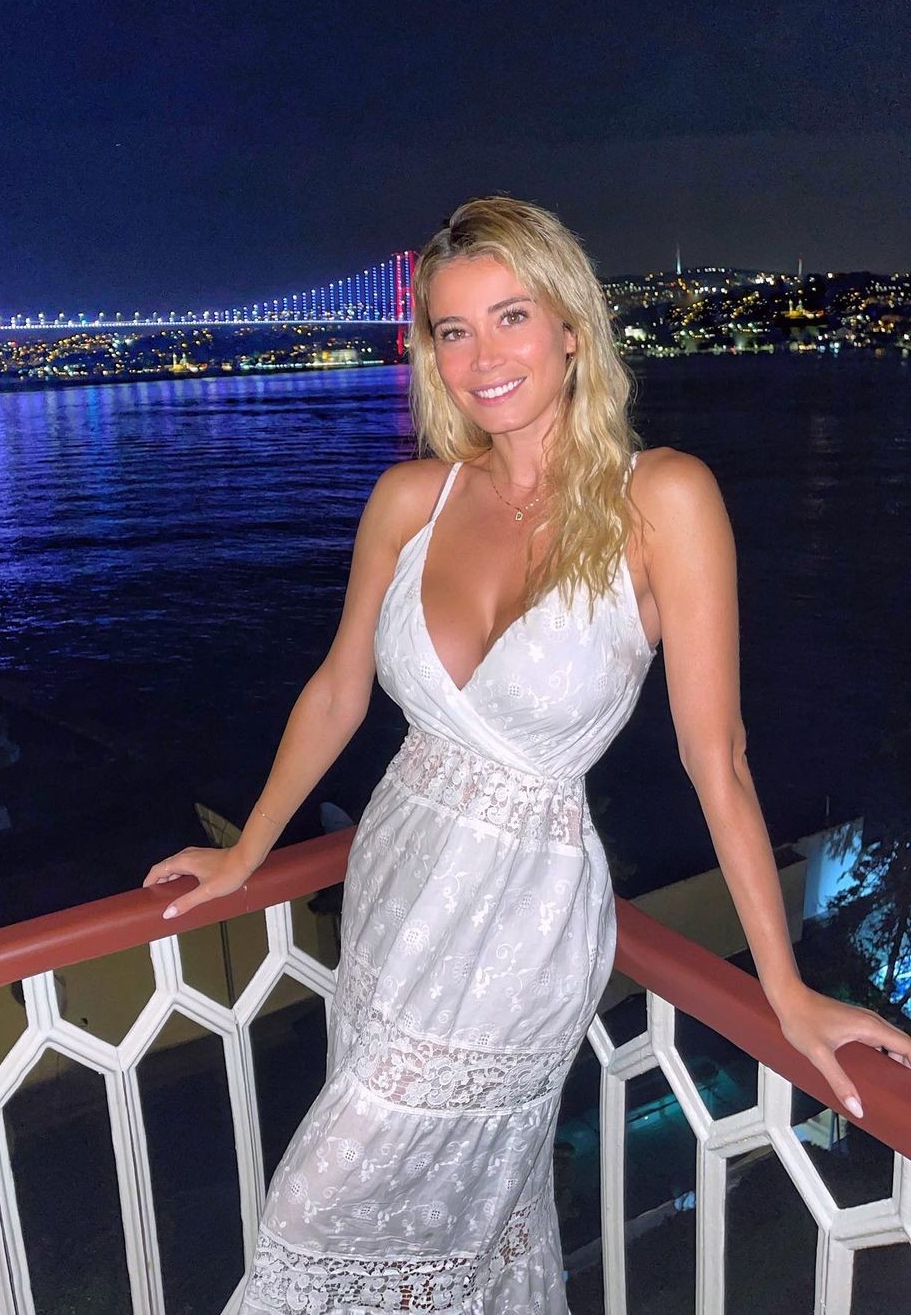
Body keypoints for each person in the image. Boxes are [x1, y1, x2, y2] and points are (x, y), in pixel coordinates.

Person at [144, 196, 911, 1313]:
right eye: (452, 330)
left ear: (570, 328)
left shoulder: (666, 498)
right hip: (394, 882)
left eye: (511, 317)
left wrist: (782, 986)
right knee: (453, 1210)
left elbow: (719, 758)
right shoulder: (410, 498)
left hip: (525, 917)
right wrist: (246, 852)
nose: (483, 358)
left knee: (316, 1211)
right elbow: (339, 688)